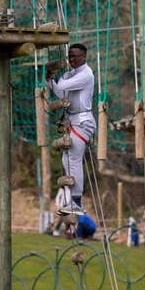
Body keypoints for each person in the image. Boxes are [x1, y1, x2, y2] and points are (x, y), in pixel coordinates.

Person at [47, 42, 95, 215]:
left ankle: (76, 202)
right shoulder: (70, 74)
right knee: (66, 159)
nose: (72, 59)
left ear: (84, 57)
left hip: (82, 121)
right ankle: (73, 201)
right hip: (73, 121)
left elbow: (61, 87)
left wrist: (55, 78)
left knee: (73, 159)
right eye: (70, 56)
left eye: (75, 56)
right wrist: (49, 80)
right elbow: (61, 94)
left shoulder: (86, 74)